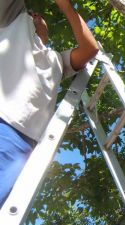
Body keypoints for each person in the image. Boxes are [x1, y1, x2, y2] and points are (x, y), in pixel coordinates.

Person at [0, 0, 99, 207]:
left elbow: (90, 49)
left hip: (21, 144)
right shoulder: (11, 20)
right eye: (33, 14)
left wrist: (65, 5)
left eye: (40, 16)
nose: (37, 16)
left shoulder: (57, 60)